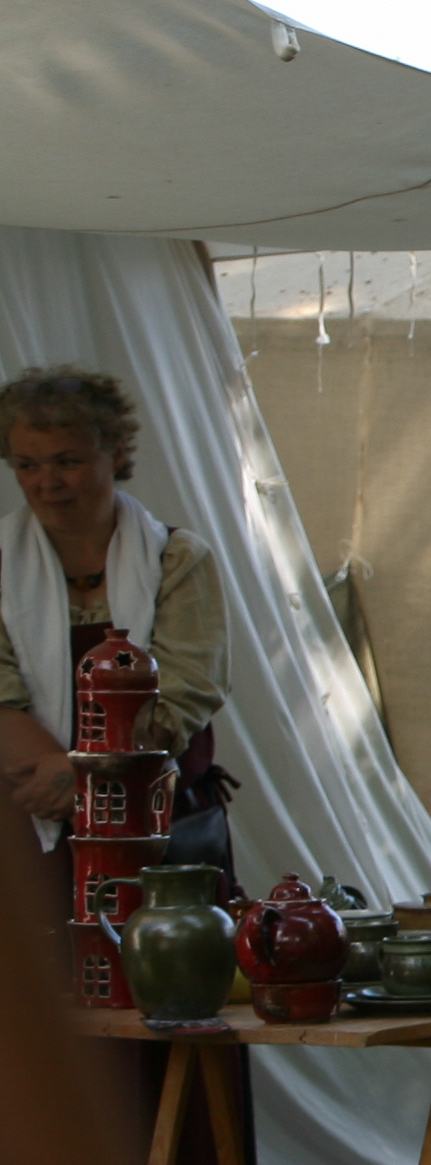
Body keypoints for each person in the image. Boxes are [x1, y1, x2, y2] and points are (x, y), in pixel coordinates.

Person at [2, 367, 230, 867]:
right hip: (30, 812)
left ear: (117, 453)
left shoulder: (174, 558)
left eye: (68, 461)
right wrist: (56, 778)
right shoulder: (2, 564)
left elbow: (186, 691)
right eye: (27, 465)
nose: (47, 483)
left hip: (153, 810)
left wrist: (86, 774)